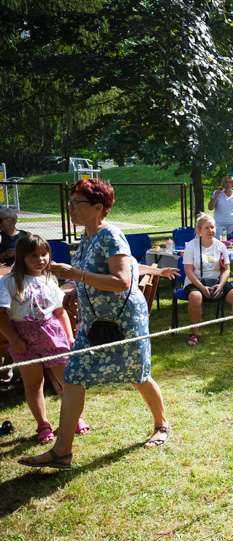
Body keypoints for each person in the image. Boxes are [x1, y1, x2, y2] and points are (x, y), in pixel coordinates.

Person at [19, 178, 171, 469]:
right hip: (93, 323)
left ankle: (162, 424)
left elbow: (123, 281)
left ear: (98, 207)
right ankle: (62, 450)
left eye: (77, 203)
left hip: (123, 322)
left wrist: (75, 276)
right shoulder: (88, 236)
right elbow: (94, 273)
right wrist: (78, 291)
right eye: (71, 202)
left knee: (138, 375)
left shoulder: (111, 235)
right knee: (73, 376)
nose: (70, 207)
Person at [0, 234, 90, 445]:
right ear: (22, 257)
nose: (41, 259)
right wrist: (13, 339)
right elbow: (1, 316)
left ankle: (73, 417)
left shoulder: (50, 279)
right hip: (22, 338)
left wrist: (69, 337)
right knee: (33, 384)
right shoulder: (8, 282)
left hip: (52, 334)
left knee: (68, 381)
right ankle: (43, 423)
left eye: (44, 254)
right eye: (33, 255)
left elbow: (60, 312)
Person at [182, 213, 233, 347]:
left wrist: (221, 285)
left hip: (216, 281)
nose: (210, 231)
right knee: (196, 296)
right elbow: (188, 270)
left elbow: (226, 269)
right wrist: (202, 287)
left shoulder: (220, 245)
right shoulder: (191, 246)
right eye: (206, 228)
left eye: (212, 227)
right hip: (195, 281)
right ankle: (195, 334)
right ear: (199, 231)